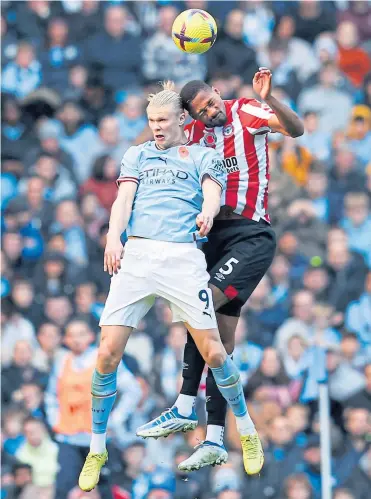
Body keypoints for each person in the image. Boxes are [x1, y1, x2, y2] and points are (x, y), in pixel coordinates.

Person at [78, 82, 263, 492]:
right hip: (139, 256)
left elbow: (213, 194)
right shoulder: (137, 154)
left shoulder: (204, 155)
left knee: (214, 351)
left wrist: (208, 214)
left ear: (182, 119)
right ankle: (97, 447)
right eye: (150, 121)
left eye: (162, 120)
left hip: (181, 258)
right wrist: (113, 237)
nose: (156, 128)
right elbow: (123, 200)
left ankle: (247, 430)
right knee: (107, 353)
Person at [137, 68, 304, 470]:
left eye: (212, 102)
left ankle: (182, 404)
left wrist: (271, 98)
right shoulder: (192, 138)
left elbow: (295, 130)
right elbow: (154, 152)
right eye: (202, 111)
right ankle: (214, 436)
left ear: (217, 92)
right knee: (219, 344)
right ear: (192, 117)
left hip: (250, 234)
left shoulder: (247, 111)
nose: (212, 111)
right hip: (212, 243)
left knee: (202, 306)